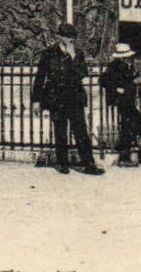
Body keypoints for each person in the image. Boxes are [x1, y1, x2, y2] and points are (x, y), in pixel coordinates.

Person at [31, 22, 102, 175]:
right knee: (60, 131)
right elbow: (40, 78)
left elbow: (82, 74)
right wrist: (36, 101)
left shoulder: (78, 53)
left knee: (81, 131)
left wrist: (73, 56)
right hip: (56, 97)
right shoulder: (49, 53)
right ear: (59, 37)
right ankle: (62, 163)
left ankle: (88, 164)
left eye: (72, 37)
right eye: (67, 36)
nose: (70, 40)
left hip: (74, 97)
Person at [101, 42, 141, 166]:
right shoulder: (114, 65)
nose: (130, 58)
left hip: (128, 98)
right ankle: (124, 153)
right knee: (132, 123)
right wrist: (116, 88)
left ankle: (125, 150)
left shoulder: (126, 65)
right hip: (121, 99)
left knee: (129, 124)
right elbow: (103, 80)